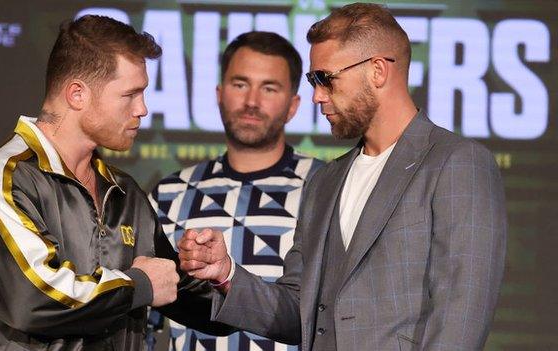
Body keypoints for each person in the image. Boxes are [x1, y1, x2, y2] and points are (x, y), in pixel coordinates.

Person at [178, 3, 508, 350]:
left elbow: (460, 318)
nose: (318, 96)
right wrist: (226, 274)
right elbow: (299, 313)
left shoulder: (456, 163)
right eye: (312, 81)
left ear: (378, 70)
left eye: (326, 78)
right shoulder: (326, 181)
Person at [0, 15, 230, 350]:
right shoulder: (7, 176)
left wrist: (220, 278)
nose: (143, 109)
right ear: (77, 94)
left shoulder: (125, 192)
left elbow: (177, 292)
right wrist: (138, 284)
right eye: (131, 94)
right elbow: (33, 298)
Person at [148, 31, 324, 351]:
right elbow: (144, 314)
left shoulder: (327, 186)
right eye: (240, 84)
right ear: (219, 92)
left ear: (294, 105)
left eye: (269, 88)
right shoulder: (169, 194)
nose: (252, 102)